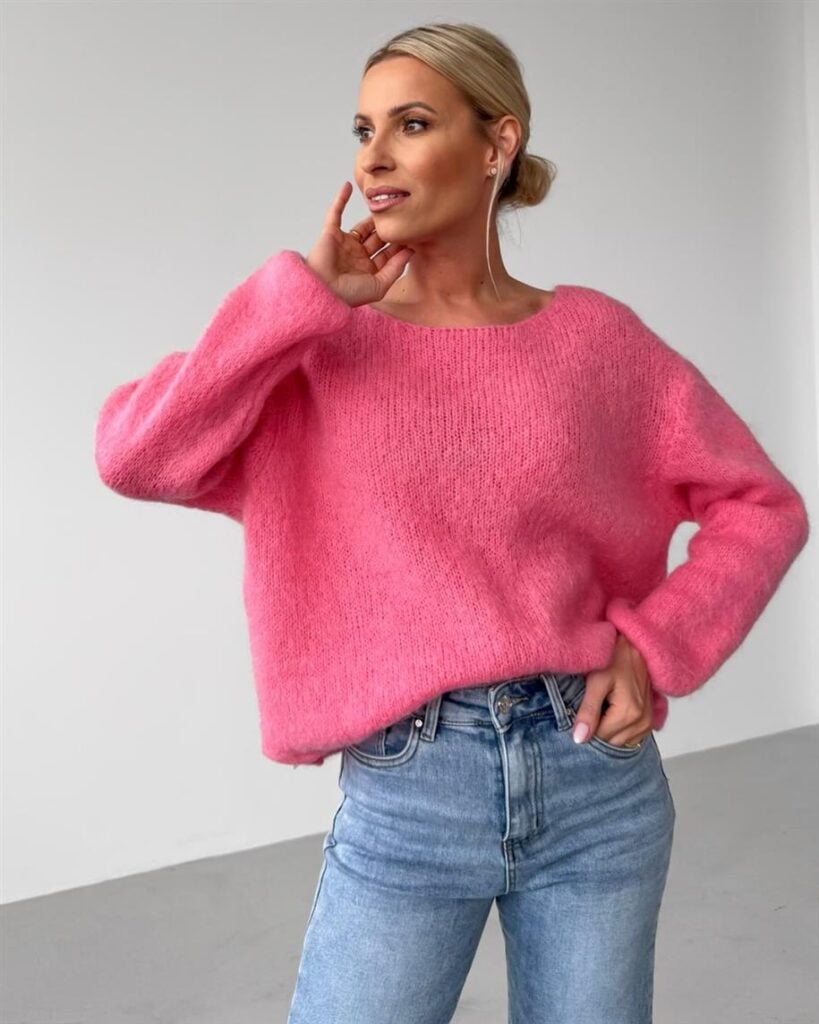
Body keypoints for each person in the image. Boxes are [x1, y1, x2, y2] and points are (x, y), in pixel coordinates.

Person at [94, 21, 810, 1024]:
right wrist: (297, 300)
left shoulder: (594, 340)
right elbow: (136, 456)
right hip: (410, 791)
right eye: (363, 130)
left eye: (413, 123)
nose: (374, 158)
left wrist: (655, 646)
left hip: (595, 778)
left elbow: (760, 504)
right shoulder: (317, 346)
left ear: (496, 143)